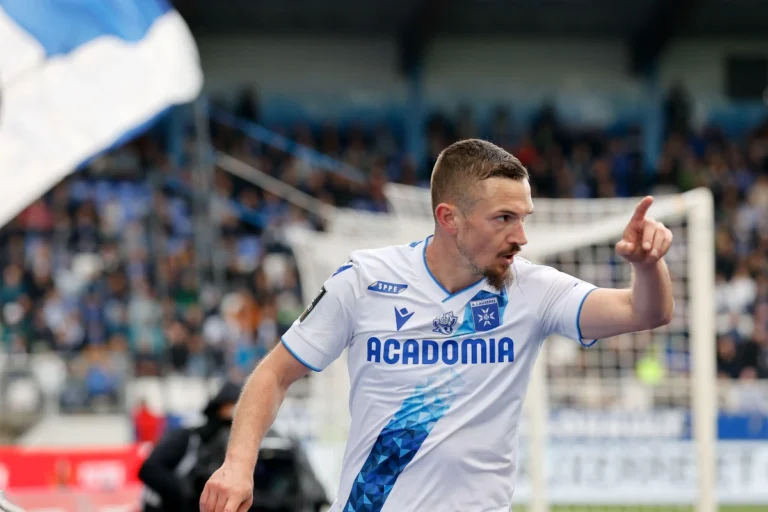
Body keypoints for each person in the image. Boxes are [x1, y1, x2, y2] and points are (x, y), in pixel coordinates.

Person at [200, 139, 675, 512]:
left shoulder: (532, 289)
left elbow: (644, 312)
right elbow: (273, 373)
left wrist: (648, 265)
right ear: (449, 217)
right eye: (504, 218)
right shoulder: (365, 280)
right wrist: (237, 466)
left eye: (523, 218)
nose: (521, 237)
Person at [139, 381, 241, 512]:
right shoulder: (189, 438)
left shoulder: (225, 445)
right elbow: (149, 469)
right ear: (222, 408)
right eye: (233, 407)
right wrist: (181, 495)